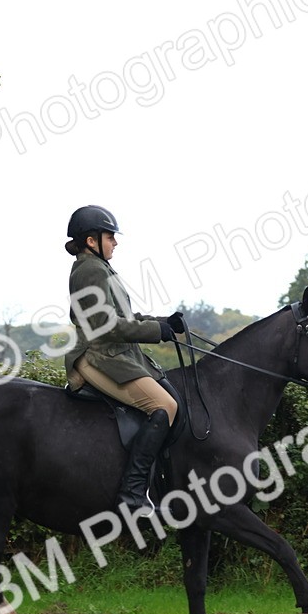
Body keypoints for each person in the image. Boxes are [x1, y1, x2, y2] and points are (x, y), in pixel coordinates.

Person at [63, 205, 184, 516]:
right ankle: (132, 493)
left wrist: (163, 321)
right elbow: (107, 325)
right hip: (97, 355)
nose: (115, 242)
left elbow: (124, 318)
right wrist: (157, 331)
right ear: (92, 241)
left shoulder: (100, 268)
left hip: (115, 354)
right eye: (110, 237)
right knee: (164, 406)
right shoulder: (90, 270)